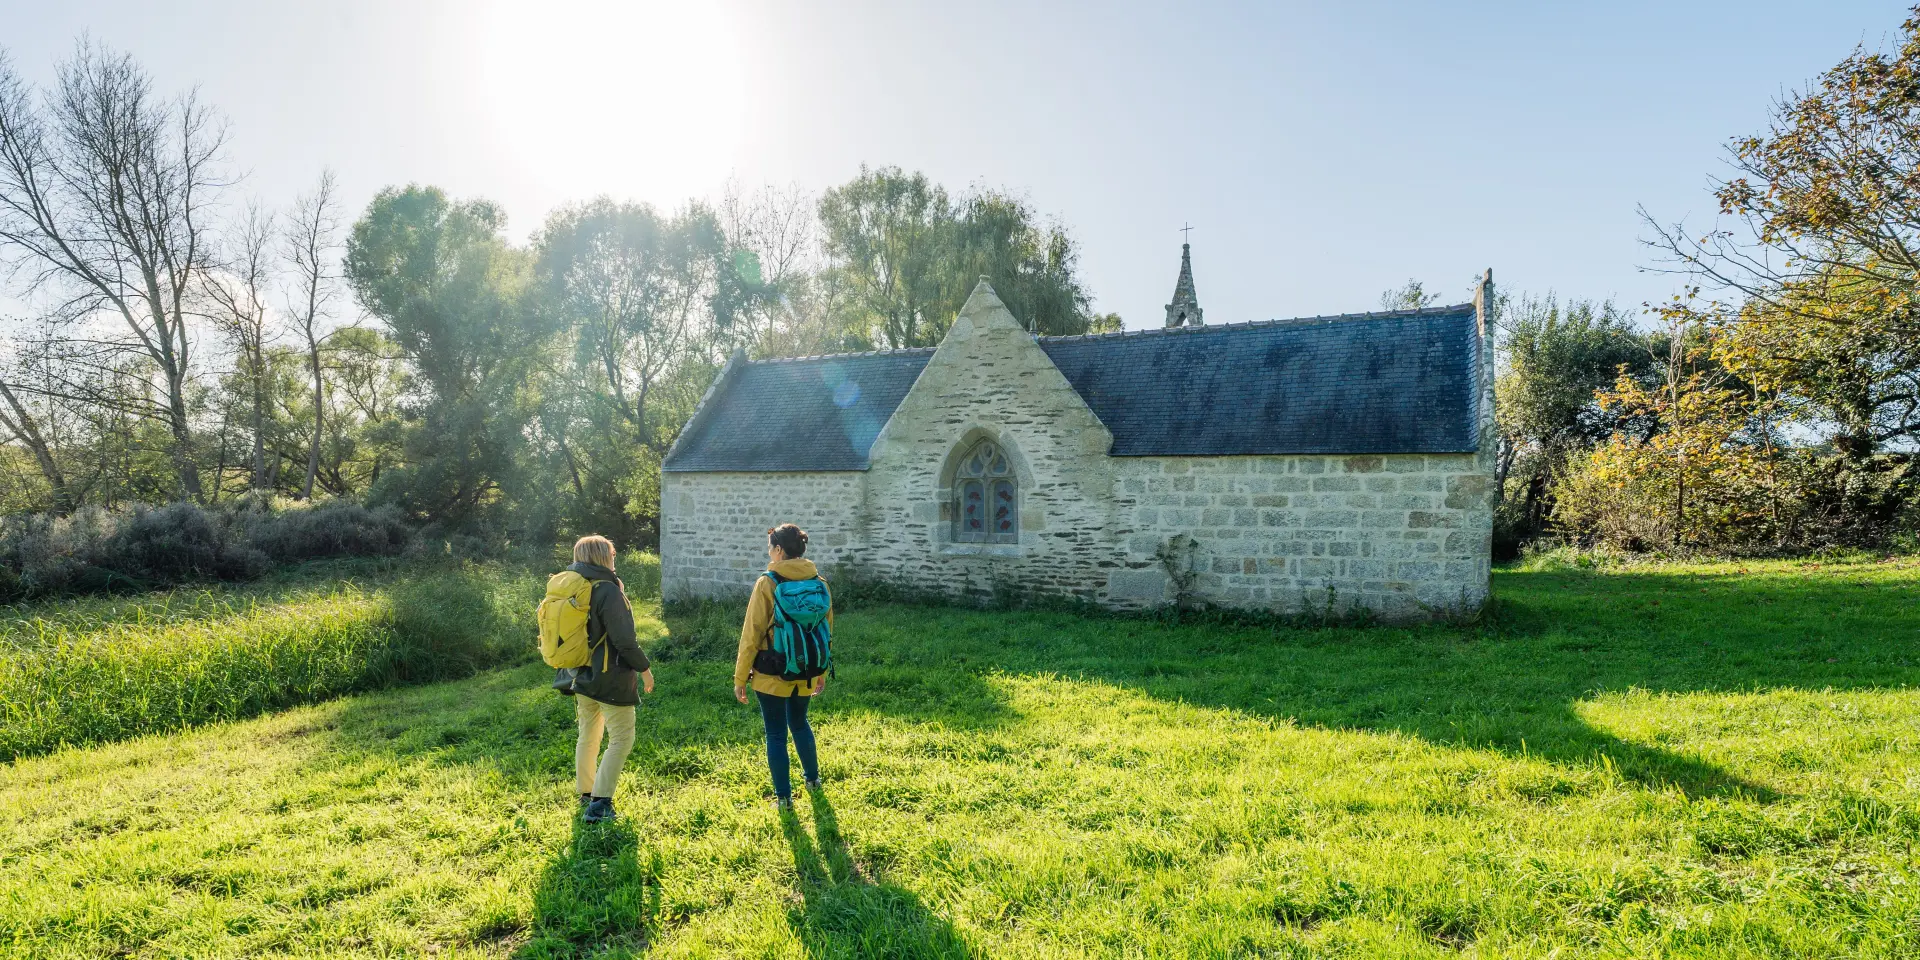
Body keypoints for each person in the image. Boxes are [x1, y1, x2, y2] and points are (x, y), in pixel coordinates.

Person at [553, 535, 653, 824]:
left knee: (589, 733)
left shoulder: (573, 587)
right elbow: (624, 640)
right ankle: (600, 804)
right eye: (612, 553)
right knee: (622, 738)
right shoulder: (607, 590)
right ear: (603, 556)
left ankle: (586, 791)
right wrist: (644, 668)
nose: (614, 558)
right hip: (609, 676)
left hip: (579, 673)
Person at [735, 523, 831, 810]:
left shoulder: (768, 583)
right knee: (800, 723)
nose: (768, 553)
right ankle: (813, 780)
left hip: (771, 672)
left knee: (776, 733)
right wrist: (820, 672)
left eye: (770, 547)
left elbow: (751, 633)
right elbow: (826, 629)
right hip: (807, 671)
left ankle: (784, 799)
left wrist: (740, 676)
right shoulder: (820, 582)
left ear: (779, 550)